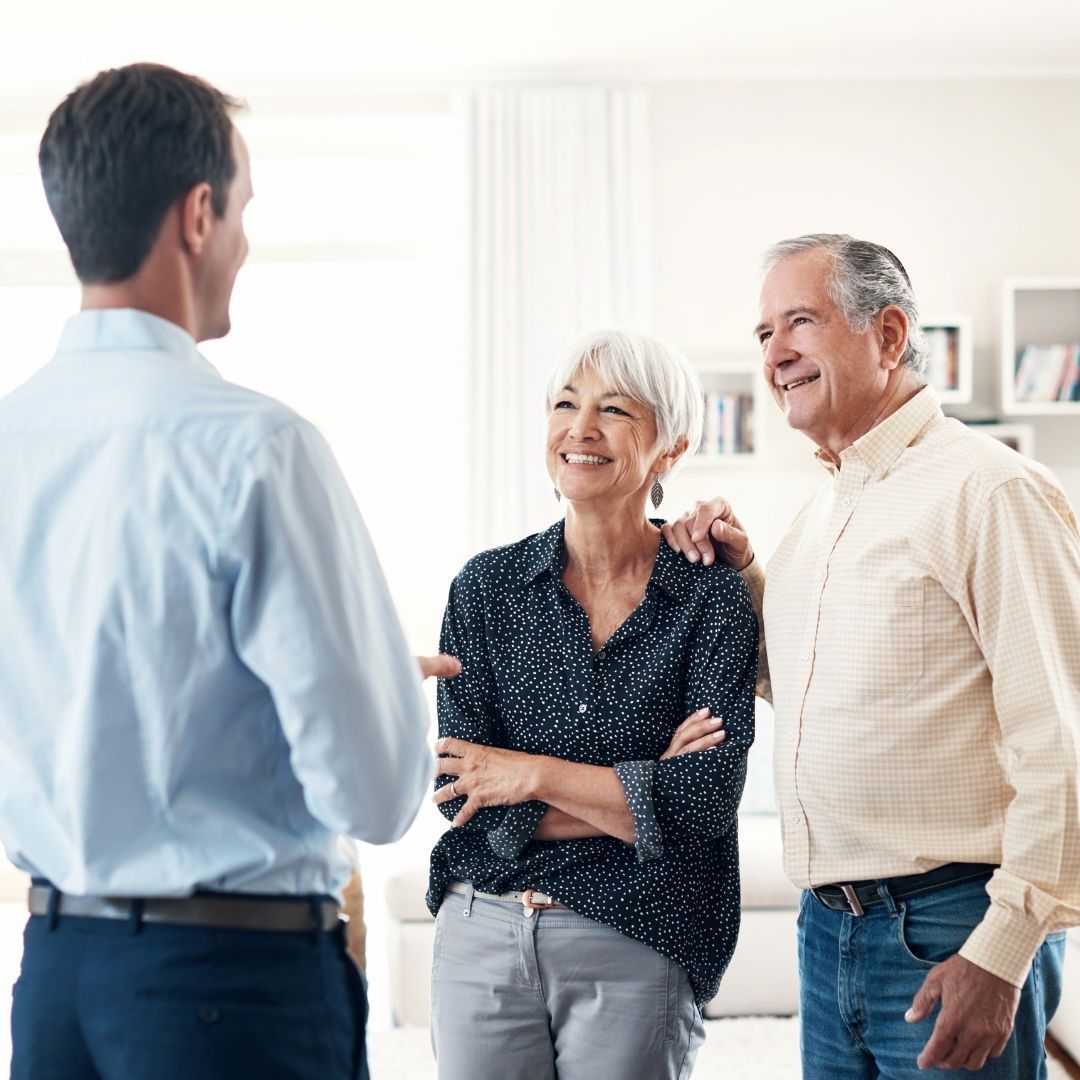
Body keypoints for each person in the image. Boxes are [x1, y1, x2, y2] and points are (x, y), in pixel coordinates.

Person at [0, 63, 456, 1080]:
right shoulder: (255, 447)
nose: (246, 240)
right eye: (244, 207)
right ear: (198, 214)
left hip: (55, 985)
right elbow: (375, 792)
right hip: (227, 992)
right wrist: (377, 678)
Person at [662, 233, 1080, 1078]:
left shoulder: (991, 492)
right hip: (829, 932)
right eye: (763, 333)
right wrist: (742, 574)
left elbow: (1063, 743)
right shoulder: (823, 515)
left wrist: (999, 953)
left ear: (888, 336)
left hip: (947, 929)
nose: (776, 354)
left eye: (801, 322)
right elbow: (812, 689)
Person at [425, 329, 758, 1080]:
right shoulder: (485, 588)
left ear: (669, 448)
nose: (580, 429)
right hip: (482, 927)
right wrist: (641, 794)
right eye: (565, 404)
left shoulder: (711, 599)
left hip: (638, 934)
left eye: (613, 410)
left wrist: (531, 773)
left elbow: (704, 801)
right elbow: (460, 794)